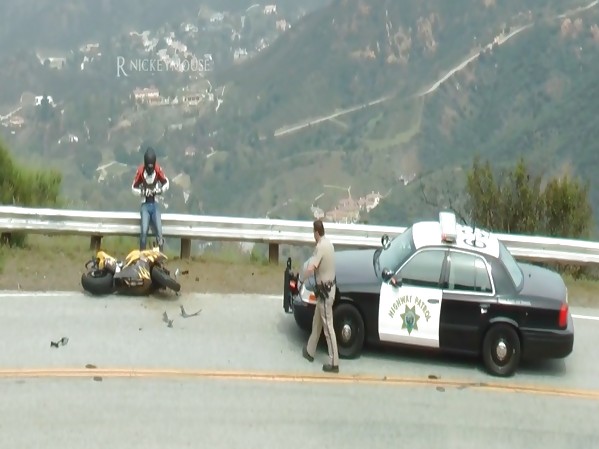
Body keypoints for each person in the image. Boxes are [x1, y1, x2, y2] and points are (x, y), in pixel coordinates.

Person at [302, 219, 339, 373]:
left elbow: (312, 267)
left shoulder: (320, 247)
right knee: (316, 322)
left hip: (325, 293)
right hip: (329, 289)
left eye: (313, 232)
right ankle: (310, 351)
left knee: (328, 328)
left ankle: (334, 362)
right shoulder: (329, 244)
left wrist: (301, 279)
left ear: (316, 232)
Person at [131, 147, 170, 251]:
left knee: (159, 231)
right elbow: (133, 188)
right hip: (145, 205)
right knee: (144, 231)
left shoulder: (157, 169)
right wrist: (143, 192)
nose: (149, 170)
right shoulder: (140, 171)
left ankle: (161, 253)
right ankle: (142, 253)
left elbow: (166, 183)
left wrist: (159, 190)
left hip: (154, 204)